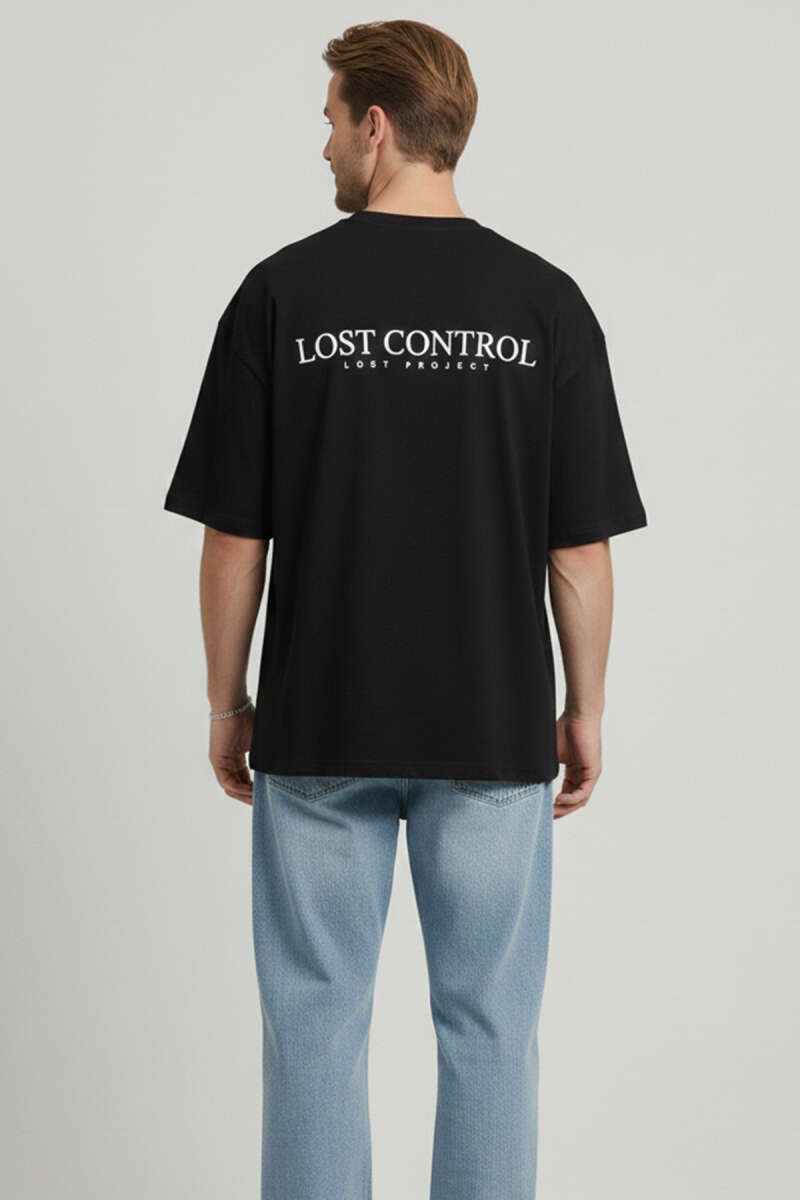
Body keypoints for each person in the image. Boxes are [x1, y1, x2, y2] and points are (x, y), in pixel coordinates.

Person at [163, 18, 647, 1200]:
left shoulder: (281, 294)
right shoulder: (543, 304)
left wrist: (228, 702)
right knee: (490, 1031)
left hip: (320, 724)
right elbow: (576, 550)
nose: (324, 145)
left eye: (330, 120)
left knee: (312, 1025)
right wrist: (583, 706)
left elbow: (234, 537)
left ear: (375, 126)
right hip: (490, 729)